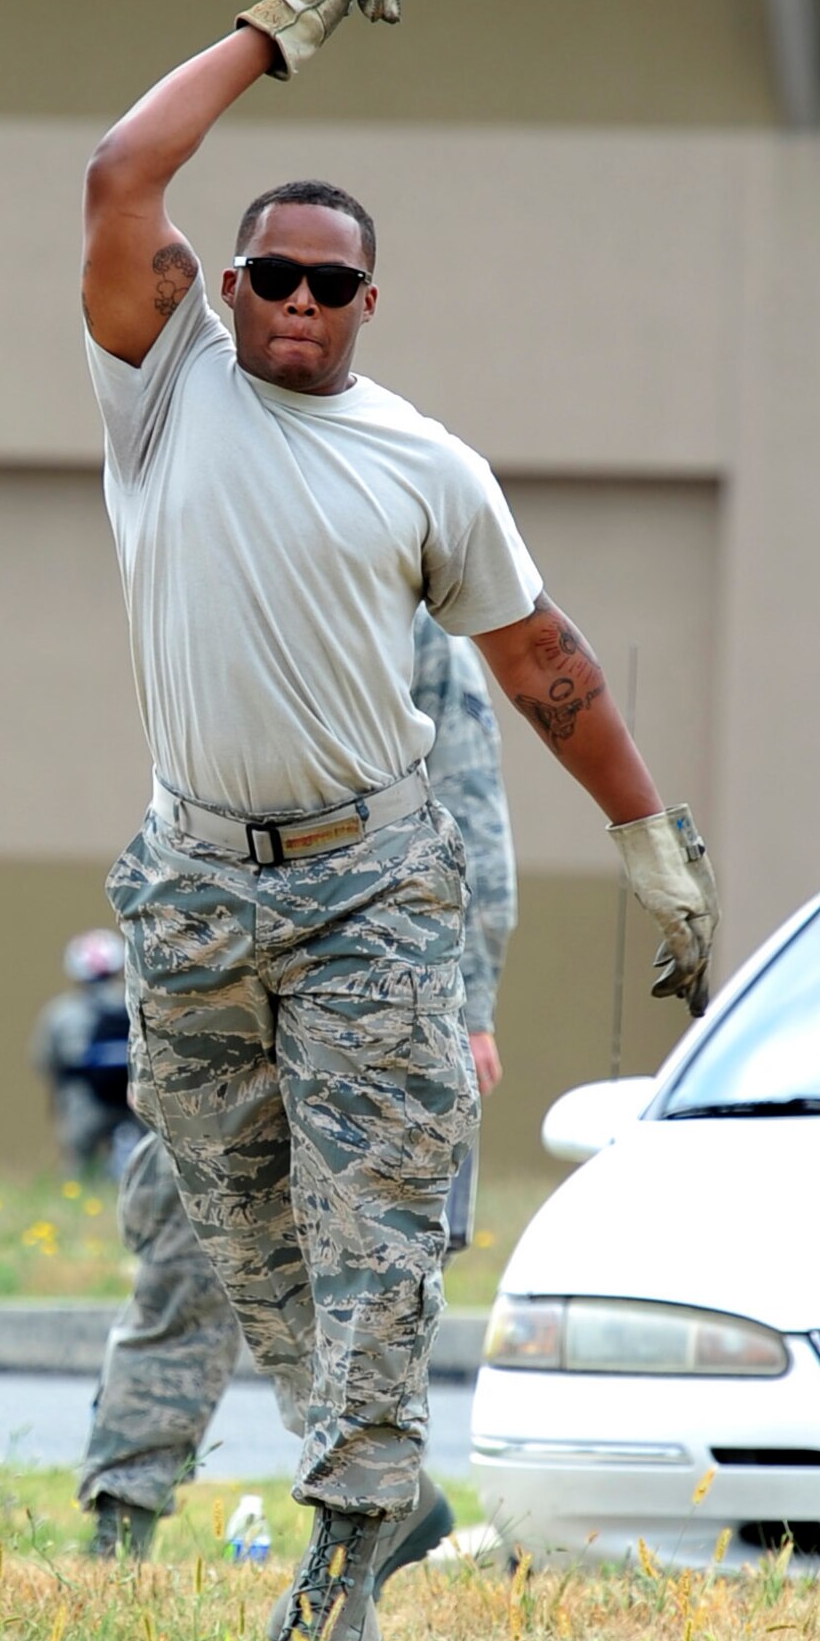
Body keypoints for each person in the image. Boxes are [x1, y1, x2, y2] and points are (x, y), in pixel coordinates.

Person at [80, 0, 718, 1641]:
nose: (296, 300)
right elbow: (115, 177)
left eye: (329, 284)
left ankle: (341, 1569)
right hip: (196, 883)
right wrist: (258, 42)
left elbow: (543, 664)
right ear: (226, 285)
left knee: (374, 1238)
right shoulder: (164, 389)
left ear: (370, 302)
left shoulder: (427, 468)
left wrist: (647, 838)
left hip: (374, 887)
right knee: (236, 1230)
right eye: (270, 273)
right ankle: (375, 1482)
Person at [79, 611, 514, 1568]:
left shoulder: (409, 627)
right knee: (187, 1247)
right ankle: (123, 1512)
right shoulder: (230, 581)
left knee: (362, 1268)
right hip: (219, 959)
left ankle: (373, 1513)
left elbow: (471, 814)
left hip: (364, 974)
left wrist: (466, 1003)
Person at [29, 929, 140, 1180]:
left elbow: (43, 1061)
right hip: (136, 1101)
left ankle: (75, 1208)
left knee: (78, 1164)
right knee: (145, 1164)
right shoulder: (137, 1003)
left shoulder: (61, 1012)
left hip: (85, 1102)